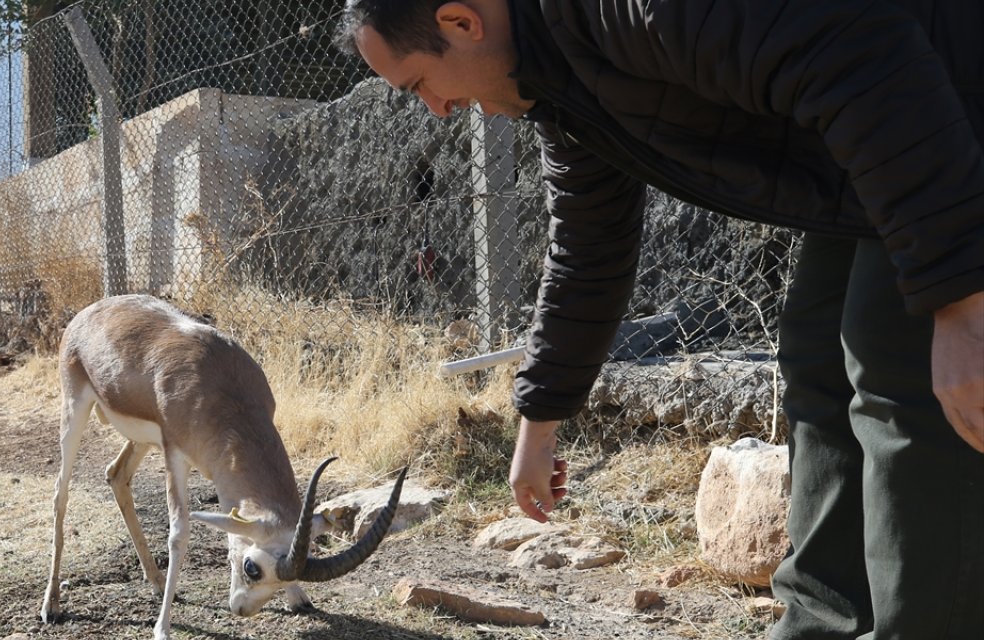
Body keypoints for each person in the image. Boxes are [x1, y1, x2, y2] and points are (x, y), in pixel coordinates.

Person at [334, 1, 984, 637]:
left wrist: (958, 297)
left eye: (420, 82)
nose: (437, 109)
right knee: (817, 358)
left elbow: (862, 52)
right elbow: (588, 247)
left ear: (461, 22)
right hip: (873, 143)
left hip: (935, 99)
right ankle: (820, 623)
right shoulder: (560, 80)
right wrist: (539, 422)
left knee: (896, 370)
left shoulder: (637, 12)